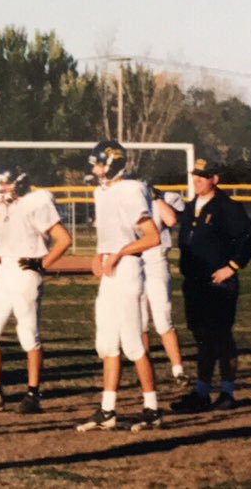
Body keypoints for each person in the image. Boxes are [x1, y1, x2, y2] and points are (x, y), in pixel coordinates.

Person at [0, 166, 72, 415]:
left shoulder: (35, 202)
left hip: (26, 270)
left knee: (28, 335)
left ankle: (32, 394)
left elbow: (64, 239)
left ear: (21, 183)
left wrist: (42, 264)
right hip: (5, 270)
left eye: (6, 183)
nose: (1, 188)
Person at [76, 141, 163, 432]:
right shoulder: (102, 192)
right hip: (111, 271)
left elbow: (152, 237)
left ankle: (152, 409)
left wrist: (119, 253)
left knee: (132, 343)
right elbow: (109, 235)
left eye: (97, 163)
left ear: (111, 162)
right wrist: (98, 255)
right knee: (107, 344)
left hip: (127, 269)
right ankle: (107, 409)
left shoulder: (132, 189)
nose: (93, 168)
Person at [170, 159, 251, 414]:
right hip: (195, 283)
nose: (197, 180)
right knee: (202, 338)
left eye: (203, 176)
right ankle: (202, 391)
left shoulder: (226, 207)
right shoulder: (191, 207)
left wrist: (232, 266)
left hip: (218, 283)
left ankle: (227, 391)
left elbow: (250, 238)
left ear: (215, 179)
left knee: (221, 336)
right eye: (195, 175)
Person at [141, 185, 192, 388]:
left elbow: (171, 219)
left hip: (156, 262)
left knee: (163, 319)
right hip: (135, 262)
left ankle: (178, 370)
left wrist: (156, 198)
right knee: (140, 322)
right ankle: (144, 369)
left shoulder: (165, 198)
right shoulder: (129, 200)